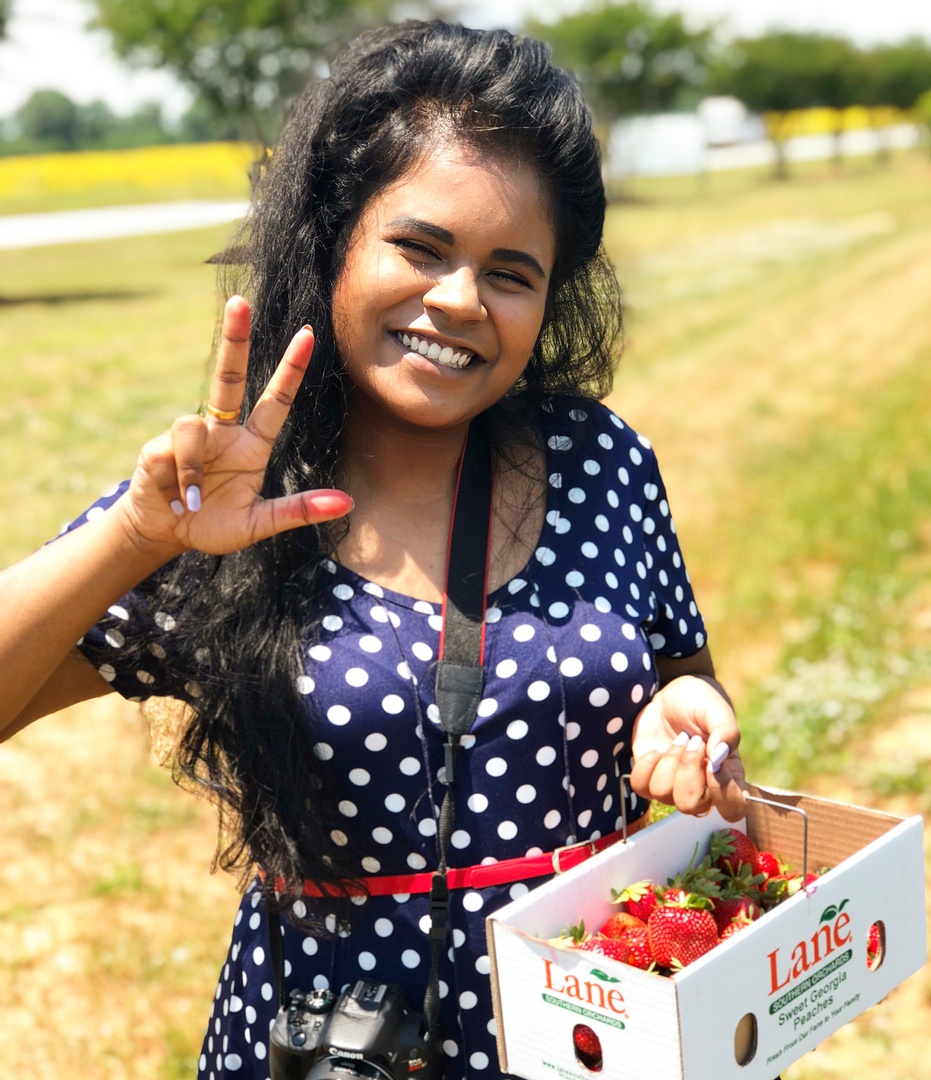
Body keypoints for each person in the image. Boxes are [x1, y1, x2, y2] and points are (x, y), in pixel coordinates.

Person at [0, 19, 747, 1080]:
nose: (458, 300)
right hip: (333, 1046)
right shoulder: (231, 503)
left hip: (604, 1041)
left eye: (511, 271)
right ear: (334, 237)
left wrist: (692, 724)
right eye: (420, 246)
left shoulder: (598, 460)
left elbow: (681, 686)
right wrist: (132, 536)